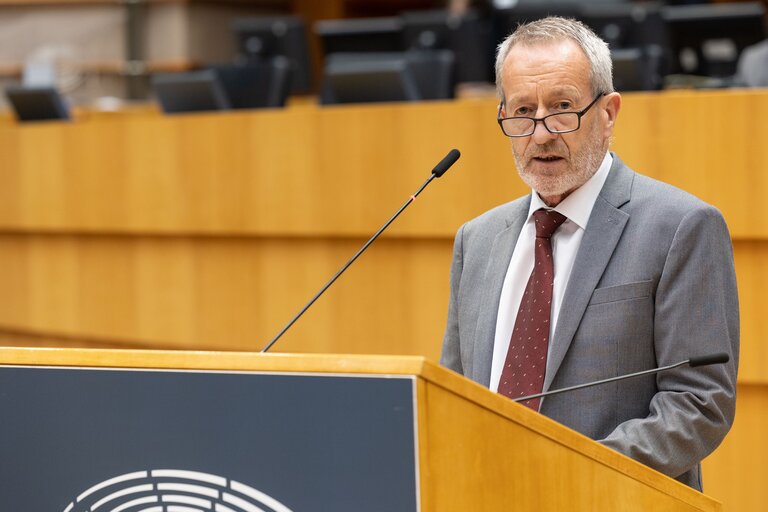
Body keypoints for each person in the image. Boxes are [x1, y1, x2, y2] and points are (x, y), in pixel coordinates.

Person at [440, 16, 739, 491]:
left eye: (562, 107)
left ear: (609, 112)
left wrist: (567, 475)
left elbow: (699, 405)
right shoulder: (476, 240)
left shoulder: (681, 226)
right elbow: (453, 399)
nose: (540, 133)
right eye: (522, 110)